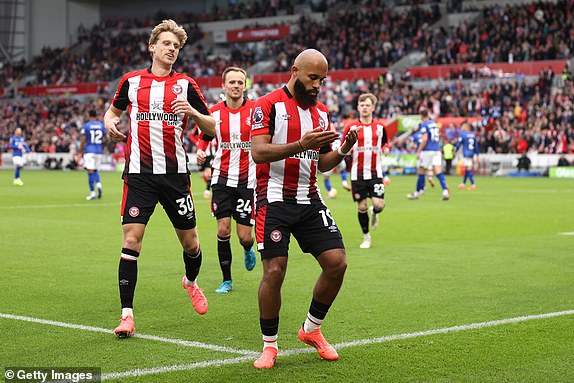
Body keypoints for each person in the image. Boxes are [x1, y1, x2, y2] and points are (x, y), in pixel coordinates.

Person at [104, 19, 216, 338]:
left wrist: (193, 114)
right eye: (166, 44)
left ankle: (190, 282)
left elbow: (212, 127)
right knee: (131, 240)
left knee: (191, 243)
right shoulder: (131, 82)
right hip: (139, 175)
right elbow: (113, 111)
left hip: (175, 176)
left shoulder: (186, 85)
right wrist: (110, 123)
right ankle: (127, 315)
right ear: (152, 47)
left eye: (176, 47)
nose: (171, 49)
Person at [250, 49, 359, 369]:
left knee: (337, 263)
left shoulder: (322, 112)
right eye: (313, 78)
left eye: (322, 80)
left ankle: (311, 330)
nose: (317, 86)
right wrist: (301, 144)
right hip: (273, 199)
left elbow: (324, 163)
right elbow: (258, 152)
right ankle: (269, 346)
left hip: (309, 198)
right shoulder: (267, 105)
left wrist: (342, 150)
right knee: (274, 270)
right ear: (295, 71)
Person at [196, 66, 257, 294]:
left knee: (244, 236)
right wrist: (201, 151)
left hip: (247, 181)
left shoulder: (255, 111)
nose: (236, 86)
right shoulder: (213, 113)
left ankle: (248, 248)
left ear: (245, 85)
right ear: (224, 86)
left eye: (240, 82)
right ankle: (227, 280)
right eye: (232, 82)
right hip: (221, 179)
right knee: (223, 230)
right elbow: (205, 136)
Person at [343, 93, 389, 249]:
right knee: (361, 207)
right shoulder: (351, 127)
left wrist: (386, 149)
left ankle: (375, 213)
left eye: (367, 105)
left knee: (379, 204)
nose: (364, 108)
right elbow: (344, 147)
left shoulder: (381, 128)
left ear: (373, 108)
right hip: (358, 174)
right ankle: (366, 237)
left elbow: (385, 143)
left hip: (376, 173)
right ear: (358, 107)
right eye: (362, 105)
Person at [407, 109, 449, 200]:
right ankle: (445, 191)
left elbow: (425, 139)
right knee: (438, 171)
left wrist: (419, 151)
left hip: (427, 151)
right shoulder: (434, 124)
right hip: (436, 150)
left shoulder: (424, 124)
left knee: (421, 171)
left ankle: (418, 192)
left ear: (421, 116)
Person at [79, 109, 107, 200]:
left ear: (88, 115)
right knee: (95, 170)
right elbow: (106, 138)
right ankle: (99, 184)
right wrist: (102, 145)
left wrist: (80, 151)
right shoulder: (101, 125)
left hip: (89, 151)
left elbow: (83, 140)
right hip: (98, 151)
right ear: (96, 115)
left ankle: (92, 193)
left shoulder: (86, 126)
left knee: (90, 172)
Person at [455, 122, 479, 190]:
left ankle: (473, 184)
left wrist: (455, 150)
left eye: (462, 126)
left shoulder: (463, 135)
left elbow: (458, 144)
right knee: (467, 168)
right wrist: (477, 154)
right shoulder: (473, 135)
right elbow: (476, 146)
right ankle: (463, 184)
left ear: (465, 127)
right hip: (471, 153)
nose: (461, 128)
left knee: (468, 169)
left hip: (466, 153)